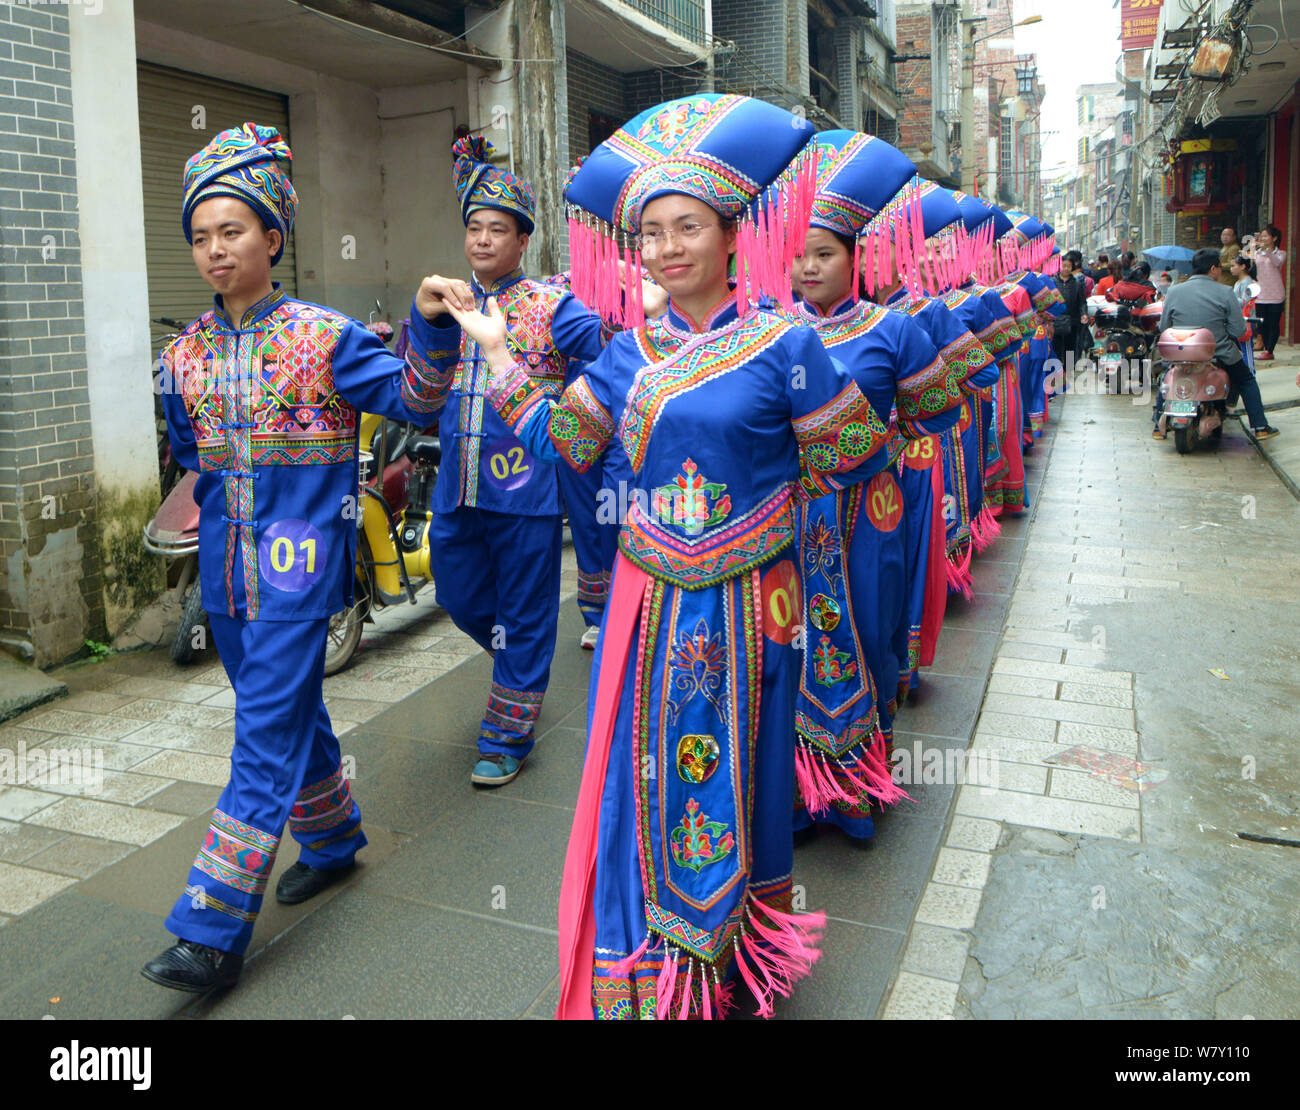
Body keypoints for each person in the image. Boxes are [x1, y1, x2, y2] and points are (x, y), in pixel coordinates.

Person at [455, 94, 887, 1020]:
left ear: (735, 234)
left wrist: (781, 493)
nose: (665, 247)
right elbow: (566, 442)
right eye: (651, 232)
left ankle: (734, 954)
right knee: (645, 778)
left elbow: (856, 454)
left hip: (753, 607)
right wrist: (498, 357)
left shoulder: (784, 343)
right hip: (650, 612)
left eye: (687, 225)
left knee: (746, 773)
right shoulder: (628, 355)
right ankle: (653, 962)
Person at [140, 123, 454, 992]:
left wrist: (429, 330)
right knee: (286, 716)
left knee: (259, 738)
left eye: (231, 231)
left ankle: (210, 930)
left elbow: (412, 399)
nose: (214, 250)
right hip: (226, 576)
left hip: (297, 569)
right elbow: (190, 457)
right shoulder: (184, 356)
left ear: (272, 238)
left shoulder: (326, 336)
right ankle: (332, 837)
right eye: (200, 237)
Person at [415, 136, 627, 787]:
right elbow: (419, 396)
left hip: (528, 492)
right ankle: (521, 664)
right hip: (457, 490)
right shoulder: (445, 303)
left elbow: (608, 354)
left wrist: (625, 301)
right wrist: (428, 323)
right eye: (474, 228)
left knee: (529, 614)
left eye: (497, 230)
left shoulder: (551, 306)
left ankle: (507, 736)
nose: (481, 240)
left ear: (522, 241)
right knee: (456, 591)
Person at [789, 150, 985, 841]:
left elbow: (941, 409)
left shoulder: (893, 329)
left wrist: (882, 437)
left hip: (870, 509)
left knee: (869, 635)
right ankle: (802, 789)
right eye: (798, 257)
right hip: (789, 515)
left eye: (822, 254)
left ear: (856, 257)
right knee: (796, 645)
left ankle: (858, 783)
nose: (808, 268)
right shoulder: (772, 335)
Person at [1155, 247, 1278, 441]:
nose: (1221, 271)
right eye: (1220, 267)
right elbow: (1238, 331)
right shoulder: (1225, 292)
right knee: (1246, 381)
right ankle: (1260, 426)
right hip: (1218, 352)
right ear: (1213, 269)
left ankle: (1156, 425)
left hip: (1179, 353)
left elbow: (1164, 326)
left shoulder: (1174, 291)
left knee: (1168, 376)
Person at [1248, 225, 1286, 360]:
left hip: (1276, 294)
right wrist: (1252, 246)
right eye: (1262, 236)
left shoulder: (1280, 253)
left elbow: (1276, 263)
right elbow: (1249, 263)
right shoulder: (1258, 253)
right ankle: (1265, 346)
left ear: (1274, 238)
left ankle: (1270, 350)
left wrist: (1267, 250)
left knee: (1273, 323)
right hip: (1261, 294)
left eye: (1266, 236)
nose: (1263, 238)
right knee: (1262, 324)